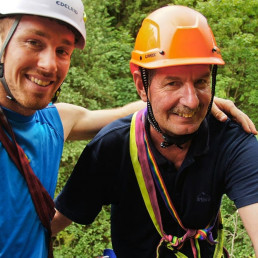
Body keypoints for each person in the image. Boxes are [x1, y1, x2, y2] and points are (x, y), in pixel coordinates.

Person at [0, 1, 255, 257]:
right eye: (33, 42)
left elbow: (44, 227)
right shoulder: (93, 139)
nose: (48, 65)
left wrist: (195, 102)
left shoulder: (55, 122)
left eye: (63, 50)